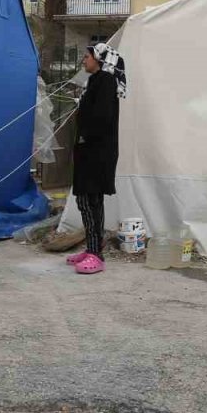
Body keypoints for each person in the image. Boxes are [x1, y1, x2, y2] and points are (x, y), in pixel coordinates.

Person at [67, 43, 125, 275]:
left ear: (99, 59)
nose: (84, 60)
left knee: (88, 199)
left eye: (87, 56)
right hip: (92, 150)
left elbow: (102, 117)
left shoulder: (105, 81)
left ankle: (95, 254)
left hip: (96, 152)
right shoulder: (97, 81)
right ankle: (94, 247)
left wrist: (84, 134)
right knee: (90, 200)